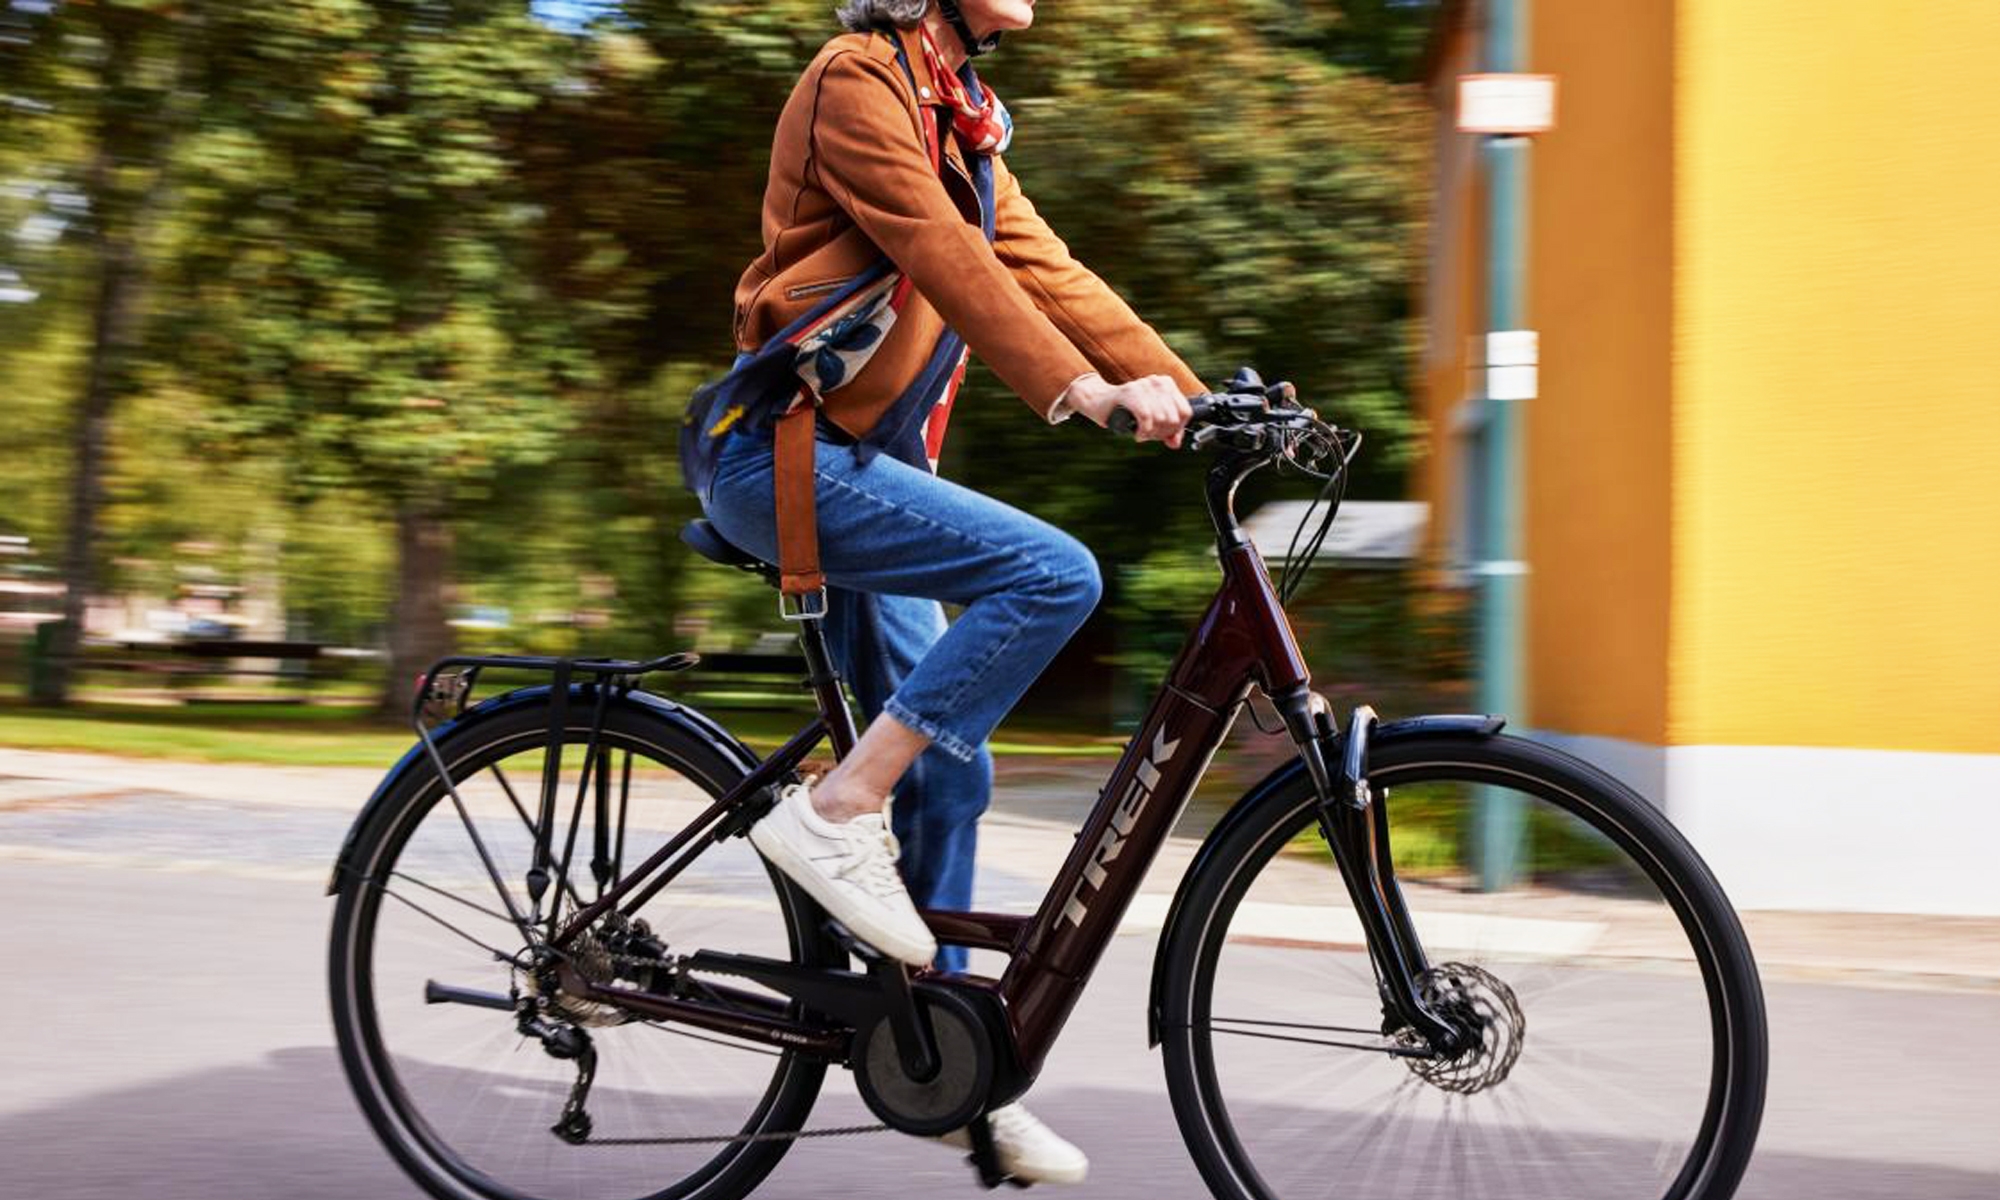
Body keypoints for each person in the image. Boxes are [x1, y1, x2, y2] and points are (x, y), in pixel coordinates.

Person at [687, 0, 1202, 1183]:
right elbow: (939, 251)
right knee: (1051, 572)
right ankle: (829, 813)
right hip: (784, 460)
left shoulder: (963, 122)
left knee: (951, 770)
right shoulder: (854, 80)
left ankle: (961, 1070)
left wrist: (1195, 395)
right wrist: (1082, 392)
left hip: (869, 469)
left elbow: (1041, 267)